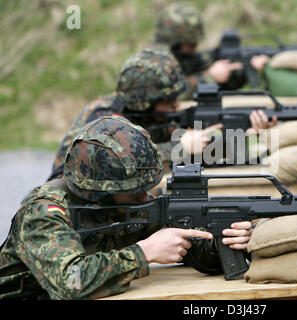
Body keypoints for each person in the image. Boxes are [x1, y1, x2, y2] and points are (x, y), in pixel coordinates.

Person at [0, 116, 253, 299]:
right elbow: (70, 283)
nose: (145, 197)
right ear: (100, 194)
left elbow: (194, 250)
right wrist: (145, 252)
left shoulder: (129, 204)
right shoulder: (44, 212)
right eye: (133, 192)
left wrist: (222, 239)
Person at [48, 48, 275, 180]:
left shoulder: (149, 115)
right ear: (145, 102)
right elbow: (117, 168)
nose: (176, 104)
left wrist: (243, 132)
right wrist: (179, 148)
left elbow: (202, 152)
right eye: (167, 101)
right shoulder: (106, 119)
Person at [152, 2, 269, 98]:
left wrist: (243, 70)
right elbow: (170, 95)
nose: (195, 47)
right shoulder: (156, 62)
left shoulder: (186, 58)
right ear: (176, 41)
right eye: (191, 44)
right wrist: (210, 77)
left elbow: (224, 86)